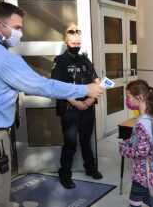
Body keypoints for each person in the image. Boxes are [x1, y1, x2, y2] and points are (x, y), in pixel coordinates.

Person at [0, 2, 104, 207]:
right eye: (17, 27)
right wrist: (85, 90)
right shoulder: (2, 57)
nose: (20, 33)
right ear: (0, 25)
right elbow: (42, 86)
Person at [51, 23, 103, 189]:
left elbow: (95, 81)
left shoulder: (85, 59)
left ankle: (90, 168)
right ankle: (65, 174)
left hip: (87, 106)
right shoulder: (60, 61)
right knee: (70, 143)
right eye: (73, 44)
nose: (76, 47)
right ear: (66, 43)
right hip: (70, 108)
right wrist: (75, 102)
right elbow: (57, 86)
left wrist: (91, 100)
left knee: (86, 140)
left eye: (78, 44)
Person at [119, 80, 153, 207]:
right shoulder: (150, 116)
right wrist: (129, 142)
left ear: (138, 98)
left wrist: (124, 149)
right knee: (145, 198)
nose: (127, 100)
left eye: (128, 97)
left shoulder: (142, 123)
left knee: (134, 203)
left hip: (143, 172)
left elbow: (142, 151)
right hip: (148, 170)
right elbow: (143, 142)